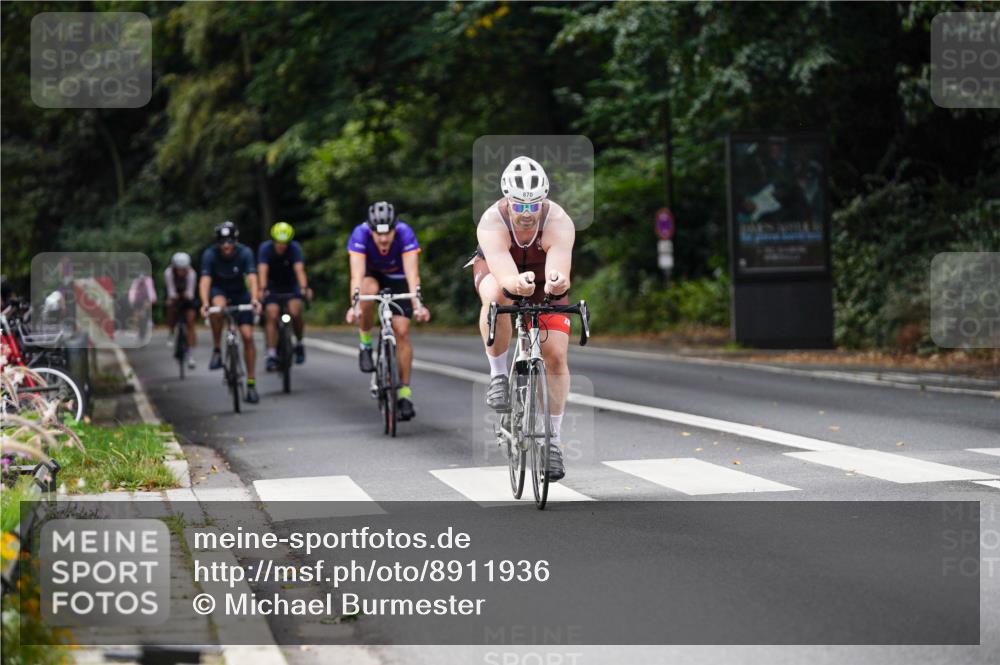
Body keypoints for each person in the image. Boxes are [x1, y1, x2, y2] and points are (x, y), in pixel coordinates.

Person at [469, 156, 575, 482]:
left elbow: (560, 271)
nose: (527, 213)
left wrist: (557, 283)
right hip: (499, 272)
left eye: (533, 206)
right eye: (519, 206)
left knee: (555, 355)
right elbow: (505, 277)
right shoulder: (492, 221)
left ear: (543, 200)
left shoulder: (559, 221)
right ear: (507, 200)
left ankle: (552, 442)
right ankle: (499, 375)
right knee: (496, 298)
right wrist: (517, 285)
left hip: (542, 277)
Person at [344, 201, 431, 421]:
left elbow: (412, 274)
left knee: (402, 331)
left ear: (395, 228)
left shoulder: (405, 233)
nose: (383, 239)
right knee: (367, 290)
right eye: (378, 234)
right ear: (370, 230)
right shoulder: (360, 234)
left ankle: (404, 393)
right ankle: (365, 344)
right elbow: (356, 276)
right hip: (371, 276)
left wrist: (418, 305)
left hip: (398, 278)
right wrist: (354, 306)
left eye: (388, 233)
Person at [198, 221, 261, 404]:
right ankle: (217, 349)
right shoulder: (210, 254)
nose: (226, 246)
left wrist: (255, 299)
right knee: (217, 308)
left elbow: (252, 277)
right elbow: (205, 281)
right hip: (219, 291)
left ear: (236, 240)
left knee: (248, 336)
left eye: (230, 242)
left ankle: (251, 383)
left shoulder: (245, 253)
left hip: (240, 293)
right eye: (223, 242)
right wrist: (204, 303)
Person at [258, 221, 312, 372]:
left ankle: (299, 343)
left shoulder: (294, 249)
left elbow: (299, 270)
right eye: (279, 242)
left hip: (291, 285)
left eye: (285, 243)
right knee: (272, 314)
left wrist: (304, 288)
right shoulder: (265, 249)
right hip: (272, 286)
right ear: (273, 240)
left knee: (295, 312)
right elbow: (262, 270)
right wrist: (262, 289)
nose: (282, 245)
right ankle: (271, 354)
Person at [164, 252, 198, 369]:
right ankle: (171, 330)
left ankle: (191, 354)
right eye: (179, 269)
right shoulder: (168, 273)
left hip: (187, 298)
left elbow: (190, 293)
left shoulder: (192, 273)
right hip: (175, 296)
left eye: (183, 269)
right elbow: (171, 291)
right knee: (170, 306)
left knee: (190, 322)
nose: (181, 272)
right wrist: (174, 298)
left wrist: (185, 295)